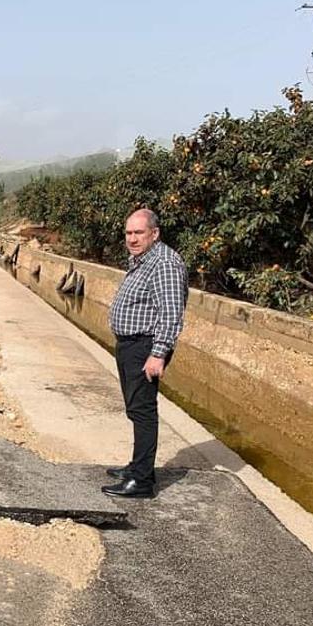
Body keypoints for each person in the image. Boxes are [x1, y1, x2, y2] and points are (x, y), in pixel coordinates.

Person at [102, 208, 187, 499]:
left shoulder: (164, 263)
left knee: (143, 410)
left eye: (139, 233)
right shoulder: (143, 260)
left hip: (145, 346)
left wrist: (158, 353)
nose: (132, 239)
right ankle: (139, 467)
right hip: (131, 344)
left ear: (155, 233)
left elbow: (171, 312)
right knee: (135, 408)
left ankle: (141, 482)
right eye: (129, 233)